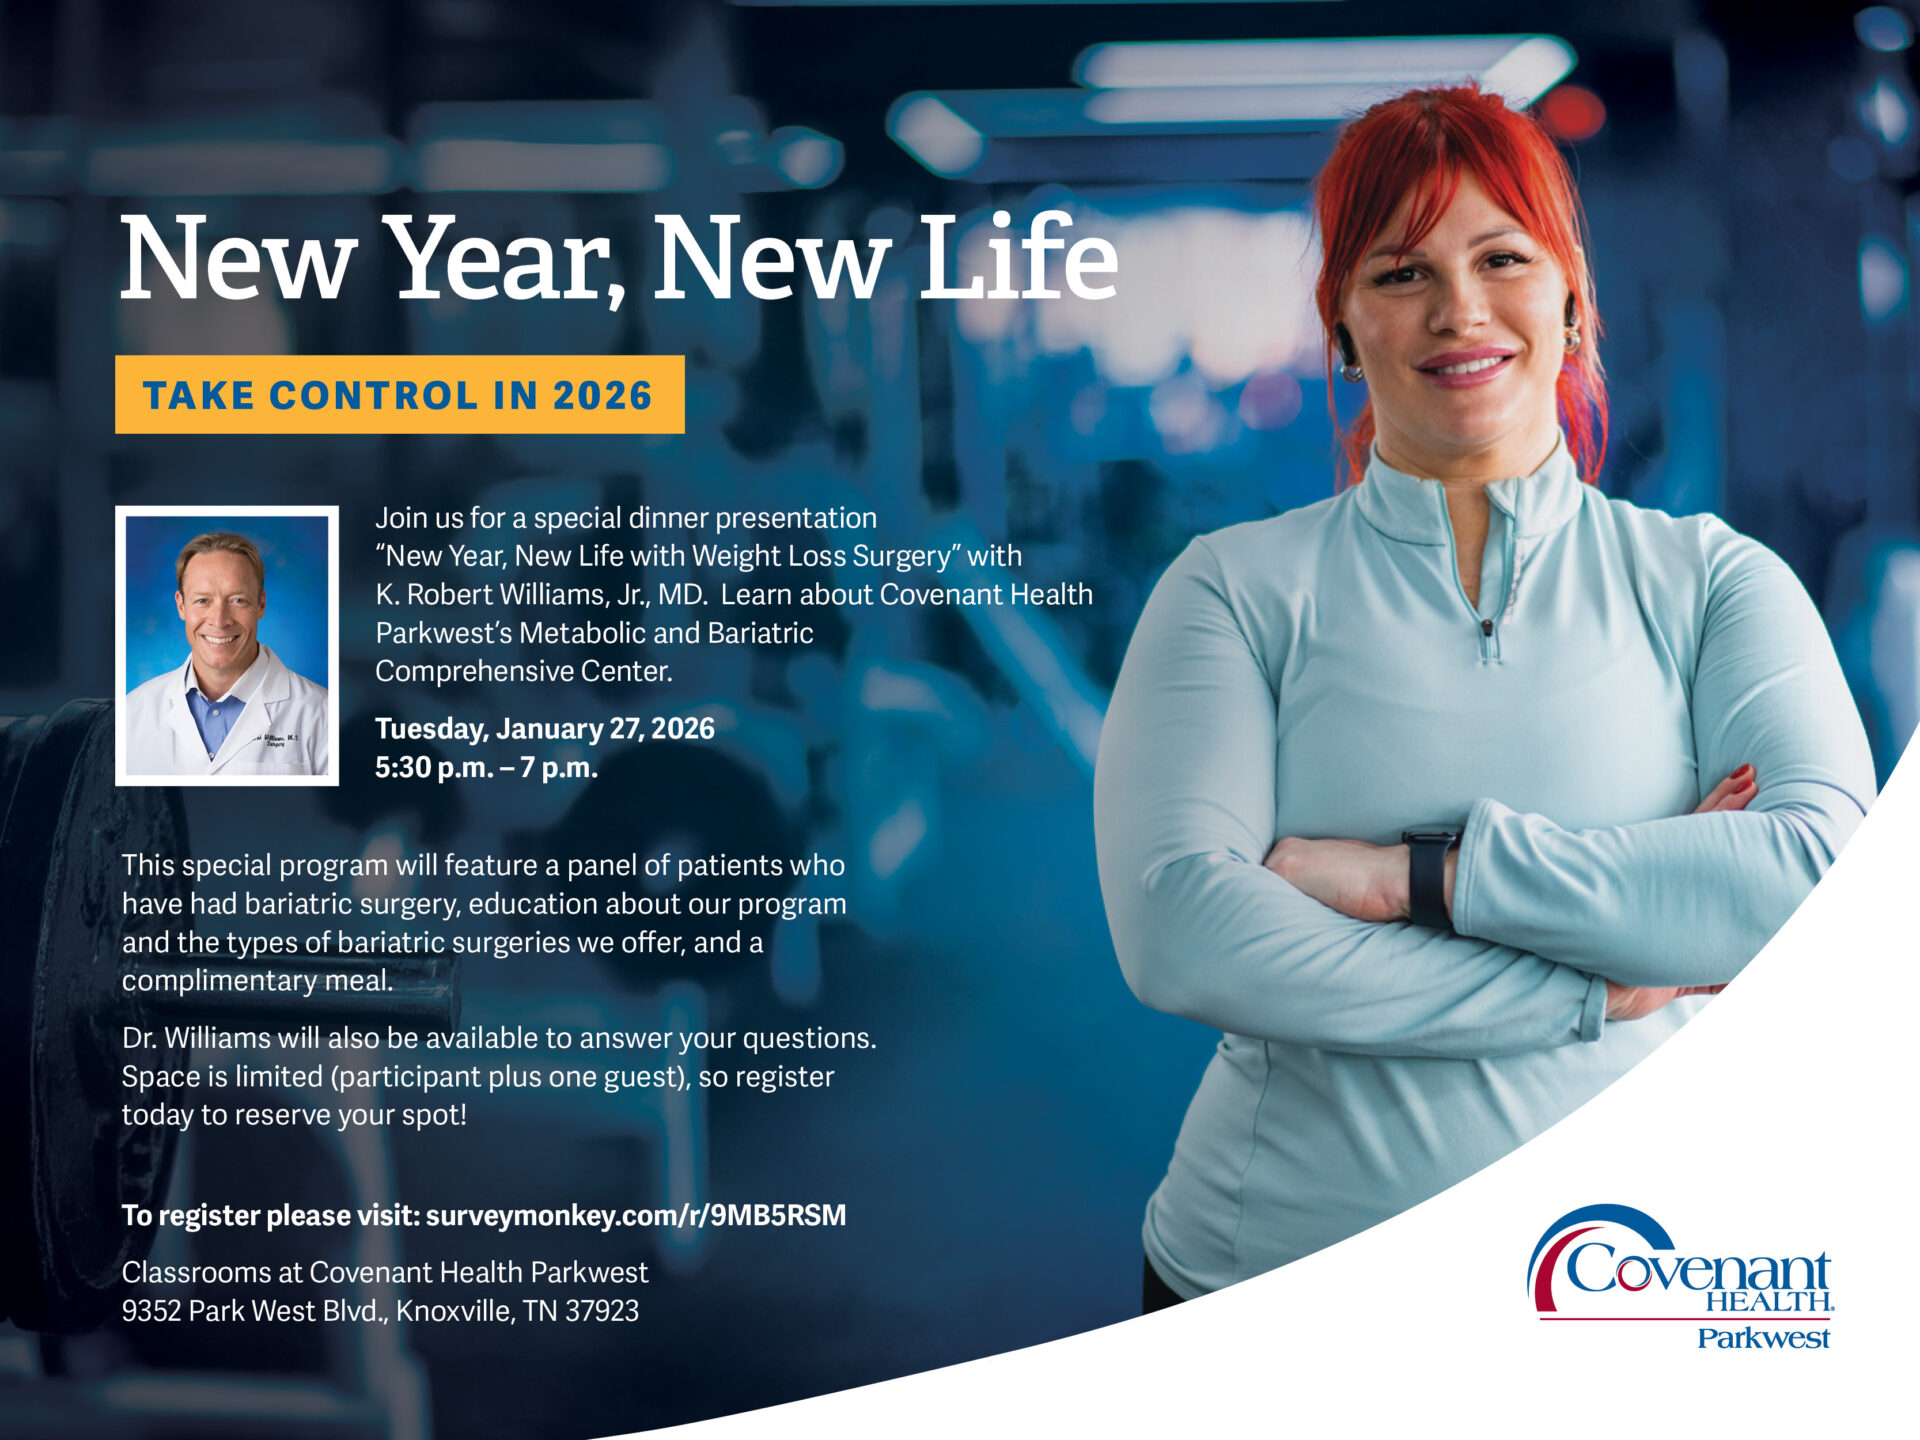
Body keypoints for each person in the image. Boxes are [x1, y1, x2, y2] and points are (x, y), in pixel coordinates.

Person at [1093, 85, 1875, 1311]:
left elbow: (1812, 886)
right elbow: (1182, 930)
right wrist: (1589, 985)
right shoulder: (1231, 592)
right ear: (1341, 327)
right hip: (1274, 1282)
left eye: (1503, 258)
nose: (1460, 309)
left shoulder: (1714, 583)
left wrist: (1416, 881)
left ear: (1571, 301)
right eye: (1402, 273)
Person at [122, 531, 331, 777]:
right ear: (181, 606)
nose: (219, 621)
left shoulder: (321, 713)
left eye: (238, 600)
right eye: (202, 601)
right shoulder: (133, 712)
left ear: (261, 604)